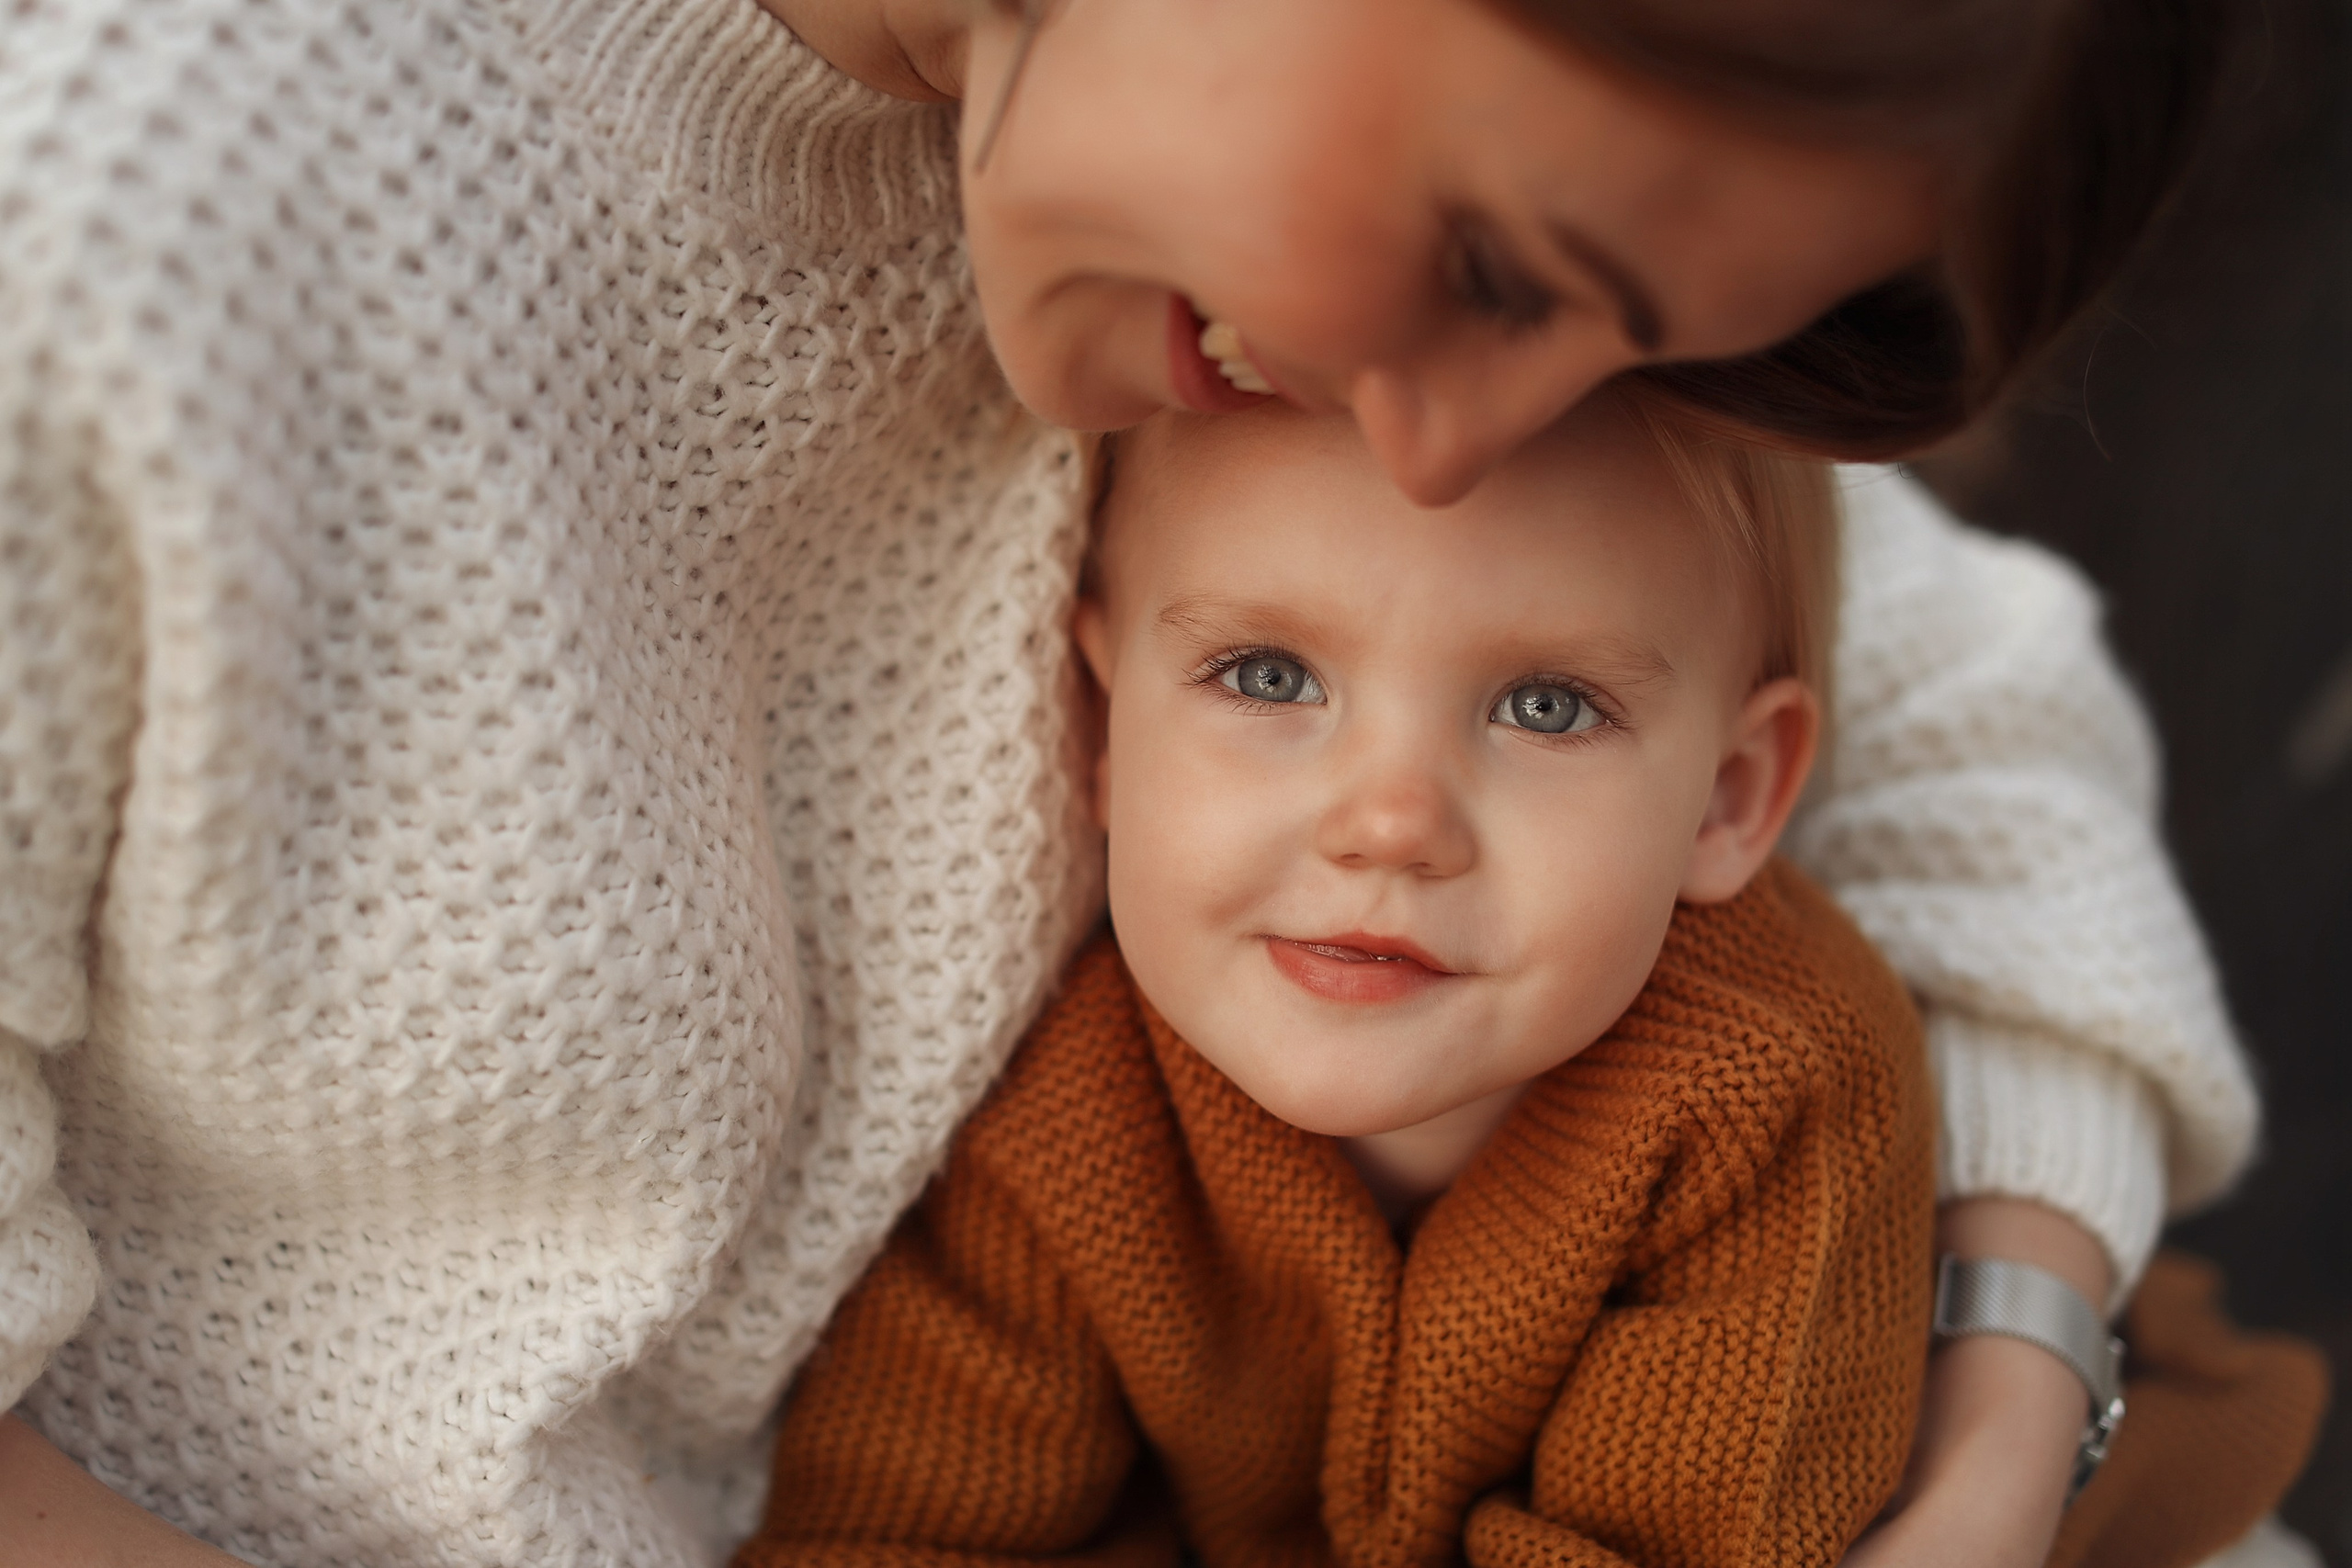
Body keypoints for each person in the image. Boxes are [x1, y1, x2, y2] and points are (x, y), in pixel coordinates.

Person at [0, 0, 2267, 1564]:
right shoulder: (119, 213)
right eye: (1492, 264)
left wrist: (1990, 1428)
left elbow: (1968, 724)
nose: (1440, 451)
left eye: (1626, 341)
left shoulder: (1208, 229)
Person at [732, 396, 2313, 1568]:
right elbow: (894, 1527)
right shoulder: (1072, 1114)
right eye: (1270, 677)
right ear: (1095, 724)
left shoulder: (1769, 1082)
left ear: (1729, 798)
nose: (1392, 822)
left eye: (1547, 707)